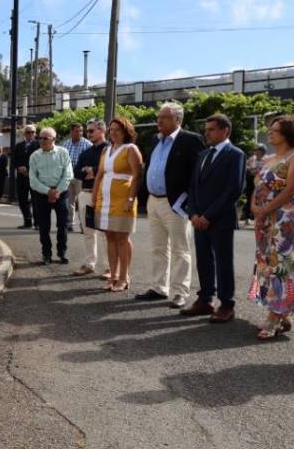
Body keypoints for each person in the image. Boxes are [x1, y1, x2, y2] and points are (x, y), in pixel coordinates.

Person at [249, 115, 294, 339]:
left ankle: (274, 316)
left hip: (285, 217)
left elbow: (291, 189)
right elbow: (257, 185)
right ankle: (281, 313)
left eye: (275, 130)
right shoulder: (268, 158)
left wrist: (265, 209)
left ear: (288, 133)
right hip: (265, 218)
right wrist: (254, 207)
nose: (270, 133)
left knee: (282, 264)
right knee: (267, 262)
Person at [135, 102, 205, 308]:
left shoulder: (191, 140)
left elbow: (198, 174)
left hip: (176, 203)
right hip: (154, 200)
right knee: (158, 247)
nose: (159, 120)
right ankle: (159, 287)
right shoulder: (155, 141)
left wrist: (191, 202)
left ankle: (180, 292)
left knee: (180, 249)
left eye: (164, 117)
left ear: (177, 119)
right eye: (159, 116)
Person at [183, 114, 245, 322]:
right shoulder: (203, 155)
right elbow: (193, 187)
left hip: (220, 219)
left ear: (225, 131)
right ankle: (205, 299)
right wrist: (193, 213)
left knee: (223, 262)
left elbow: (233, 189)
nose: (206, 133)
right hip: (199, 218)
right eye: (206, 129)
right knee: (203, 260)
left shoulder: (235, 154)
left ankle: (227, 304)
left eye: (211, 129)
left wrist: (208, 215)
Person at [102, 116, 143, 292]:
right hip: (106, 200)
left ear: (126, 131)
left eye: (117, 130)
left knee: (122, 238)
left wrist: (130, 199)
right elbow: (101, 174)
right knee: (109, 236)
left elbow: (137, 175)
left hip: (123, 199)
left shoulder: (131, 148)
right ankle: (113, 275)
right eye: (111, 130)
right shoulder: (108, 149)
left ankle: (124, 277)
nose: (113, 133)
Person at [28, 126, 73, 265]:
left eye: (45, 138)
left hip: (61, 193)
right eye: (40, 138)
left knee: (63, 225)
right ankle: (46, 254)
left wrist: (56, 191)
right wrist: (48, 192)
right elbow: (33, 179)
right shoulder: (35, 156)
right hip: (42, 194)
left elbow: (68, 175)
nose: (41, 141)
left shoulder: (63, 153)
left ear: (53, 139)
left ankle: (62, 252)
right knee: (43, 226)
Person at [74, 120, 109, 276]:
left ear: (102, 130)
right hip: (86, 193)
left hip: (104, 196)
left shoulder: (109, 150)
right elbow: (77, 172)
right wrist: (93, 171)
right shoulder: (86, 152)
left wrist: (92, 170)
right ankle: (89, 263)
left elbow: (107, 170)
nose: (88, 134)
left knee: (105, 233)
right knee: (88, 231)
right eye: (87, 131)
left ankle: (109, 267)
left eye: (91, 131)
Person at [62, 122, 90, 233]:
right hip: (69, 177)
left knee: (82, 202)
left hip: (81, 178)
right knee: (69, 202)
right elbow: (62, 160)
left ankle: (84, 226)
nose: (80, 133)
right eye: (77, 131)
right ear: (71, 131)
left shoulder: (87, 144)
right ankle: (69, 224)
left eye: (81, 131)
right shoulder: (66, 144)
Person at [12, 124, 39, 229]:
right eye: (28, 132)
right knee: (22, 199)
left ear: (35, 134)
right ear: (24, 134)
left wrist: (28, 169)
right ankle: (27, 221)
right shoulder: (19, 146)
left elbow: (39, 160)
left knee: (36, 200)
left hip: (34, 177)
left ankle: (37, 223)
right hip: (21, 177)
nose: (30, 134)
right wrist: (19, 168)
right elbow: (14, 159)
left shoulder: (38, 145)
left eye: (32, 132)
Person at [242, 145, 266, 225]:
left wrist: (258, 170)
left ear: (262, 151)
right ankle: (247, 217)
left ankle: (258, 217)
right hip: (251, 181)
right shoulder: (252, 159)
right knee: (250, 198)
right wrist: (250, 169)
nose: (255, 151)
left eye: (257, 150)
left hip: (261, 182)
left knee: (260, 199)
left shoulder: (267, 159)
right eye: (255, 150)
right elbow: (246, 166)